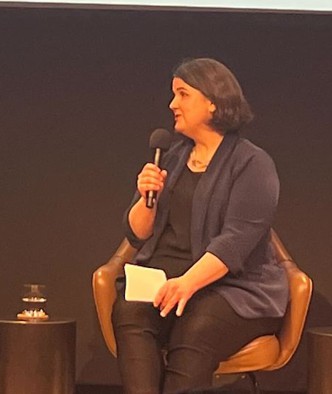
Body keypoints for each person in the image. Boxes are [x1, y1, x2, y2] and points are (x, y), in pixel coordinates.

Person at [112, 58, 289, 394]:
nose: (172, 104)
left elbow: (235, 242)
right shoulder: (173, 158)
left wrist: (186, 284)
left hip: (234, 290)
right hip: (168, 281)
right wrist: (145, 197)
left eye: (182, 94)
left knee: (197, 328)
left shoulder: (253, 163)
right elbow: (137, 233)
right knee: (130, 312)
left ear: (212, 102)